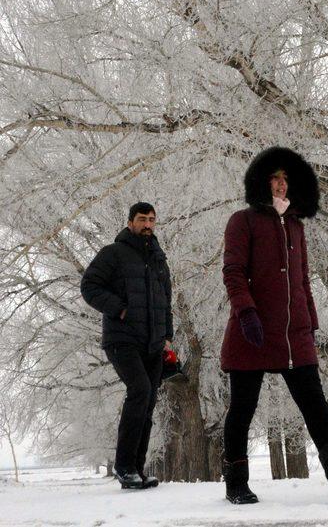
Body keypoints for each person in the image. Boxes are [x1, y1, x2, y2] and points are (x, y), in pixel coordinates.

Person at [220, 146, 328, 504]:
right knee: (242, 408)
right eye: (274, 178)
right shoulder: (242, 221)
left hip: (294, 335)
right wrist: (246, 313)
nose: (280, 185)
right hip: (252, 332)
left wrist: (311, 323)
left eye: (286, 179)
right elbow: (233, 273)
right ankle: (236, 483)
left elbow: (303, 280)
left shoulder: (297, 226)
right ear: (261, 181)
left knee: (315, 404)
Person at [80, 202, 173, 490]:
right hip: (122, 338)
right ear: (130, 222)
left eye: (152, 220)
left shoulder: (158, 258)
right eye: (142, 219)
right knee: (140, 390)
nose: (148, 224)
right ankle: (123, 467)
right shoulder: (113, 253)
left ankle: (136, 469)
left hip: (154, 343)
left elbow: (165, 301)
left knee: (148, 400)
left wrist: (168, 336)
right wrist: (120, 309)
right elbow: (89, 286)